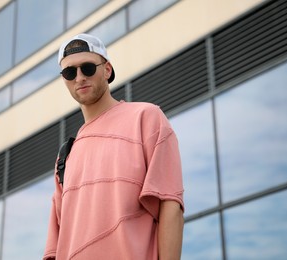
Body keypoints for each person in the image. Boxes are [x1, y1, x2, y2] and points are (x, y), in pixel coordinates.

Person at [43, 33, 184, 260]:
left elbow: (170, 204)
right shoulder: (64, 158)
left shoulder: (146, 118)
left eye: (88, 68)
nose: (79, 78)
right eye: (70, 72)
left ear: (107, 70)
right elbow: (55, 247)